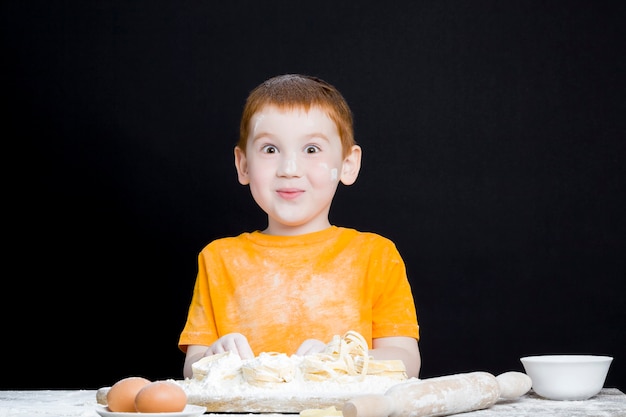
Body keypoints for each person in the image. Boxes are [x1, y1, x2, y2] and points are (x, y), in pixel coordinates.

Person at [178, 74, 421, 379]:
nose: (289, 170)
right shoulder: (219, 259)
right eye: (270, 150)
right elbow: (193, 367)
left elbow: (405, 361)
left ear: (348, 163)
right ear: (243, 165)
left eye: (311, 150)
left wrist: (340, 361)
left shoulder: (376, 256)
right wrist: (212, 358)